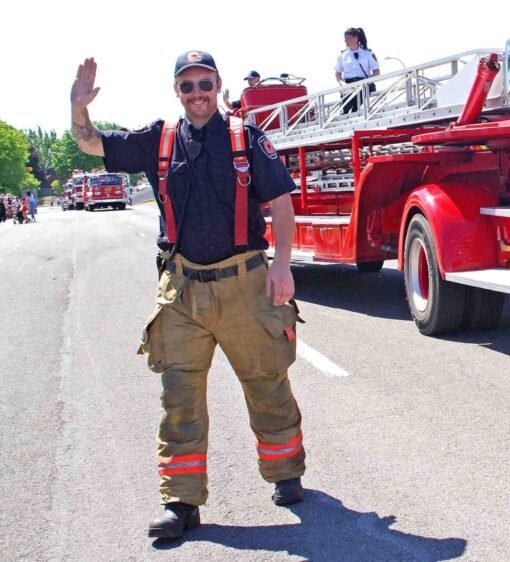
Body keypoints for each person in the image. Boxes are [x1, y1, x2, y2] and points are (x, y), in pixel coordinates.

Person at [70, 50, 307, 540]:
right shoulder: (158, 139)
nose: (197, 94)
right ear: (176, 91)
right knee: (178, 396)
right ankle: (181, 501)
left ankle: (285, 471)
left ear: (219, 85)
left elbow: (281, 202)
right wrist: (78, 106)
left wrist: (282, 265)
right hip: (181, 288)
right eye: (187, 86)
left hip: (245, 283)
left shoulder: (247, 137)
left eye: (204, 84)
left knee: (267, 381)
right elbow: (90, 144)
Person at [335, 27, 380, 114]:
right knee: (345, 110)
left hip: (364, 84)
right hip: (348, 86)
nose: (346, 41)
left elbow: (376, 72)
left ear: (356, 38)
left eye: (348, 38)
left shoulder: (368, 53)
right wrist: (342, 83)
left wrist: (367, 81)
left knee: (357, 106)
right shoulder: (343, 55)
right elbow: (337, 73)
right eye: (345, 39)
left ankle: (355, 111)